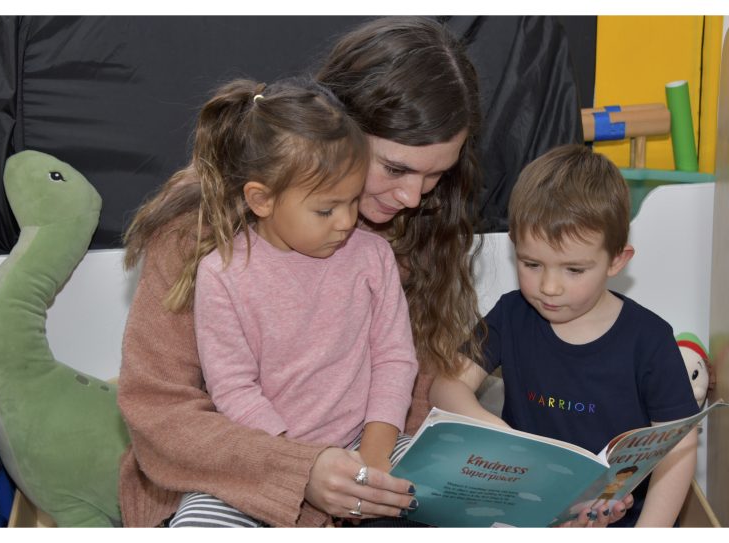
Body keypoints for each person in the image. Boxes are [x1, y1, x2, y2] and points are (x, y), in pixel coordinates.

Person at [117, 17, 623, 528]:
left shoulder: (406, 237)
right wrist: (299, 466)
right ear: (336, 128)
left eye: (436, 175)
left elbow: (416, 392)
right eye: (396, 169)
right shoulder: (200, 238)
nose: (412, 197)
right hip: (232, 478)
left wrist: (527, 501)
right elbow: (159, 409)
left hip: (369, 471)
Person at [165, 77, 418, 527]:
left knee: (442, 500)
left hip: (367, 438)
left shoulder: (373, 255)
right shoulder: (223, 274)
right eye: (326, 209)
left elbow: (395, 360)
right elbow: (234, 390)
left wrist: (373, 460)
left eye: (352, 200)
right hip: (265, 456)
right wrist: (300, 466)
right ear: (261, 199)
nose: (346, 222)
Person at [430, 143, 700, 527]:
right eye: (532, 264)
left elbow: (680, 446)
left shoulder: (650, 340)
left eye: (574, 270)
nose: (549, 287)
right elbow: (445, 387)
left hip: (616, 520)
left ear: (617, 261)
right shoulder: (513, 313)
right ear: (514, 247)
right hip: (523, 514)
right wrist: (500, 434)